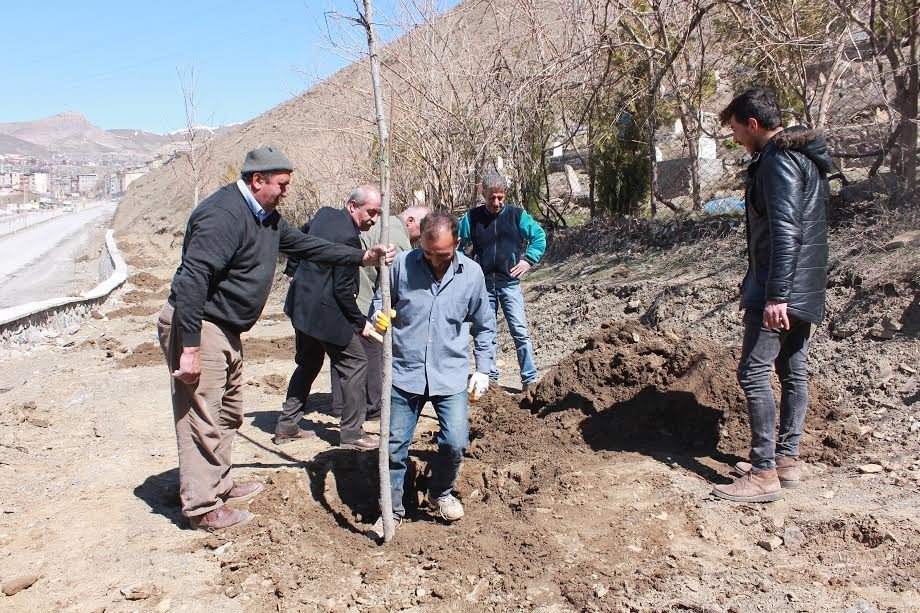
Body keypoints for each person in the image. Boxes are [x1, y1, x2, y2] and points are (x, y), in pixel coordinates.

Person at [158, 146, 394, 531]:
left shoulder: (265, 218)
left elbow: (305, 246)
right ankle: (202, 506)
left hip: (228, 327)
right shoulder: (223, 215)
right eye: (282, 184)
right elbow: (192, 279)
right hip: (201, 323)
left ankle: (220, 482)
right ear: (258, 180)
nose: (287, 191)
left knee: (228, 412)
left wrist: (362, 259)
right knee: (203, 415)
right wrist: (189, 347)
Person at [711, 88, 831, 503]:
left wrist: (776, 294)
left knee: (753, 371)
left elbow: (786, 231)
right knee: (793, 370)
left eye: (736, 129)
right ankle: (786, 459)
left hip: (779, 287)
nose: (735, 138)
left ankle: (763, 471)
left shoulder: (777, 162)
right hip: (806, 284)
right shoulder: (804, 158)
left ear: (753, 124)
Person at [370, 212, 494, 536]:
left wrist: (484, 368)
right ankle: (392, 509)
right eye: (427, 253)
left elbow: (484, 325)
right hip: (404, 371)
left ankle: (440, 493)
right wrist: (378, 316)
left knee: (454, 441)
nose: (435, 261)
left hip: (449, 374)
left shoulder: (472, 275)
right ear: (420, 243)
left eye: (442, 255)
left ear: (457, 244)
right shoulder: (401, 267)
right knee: (394, 445)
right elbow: (378, 301)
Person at [275, 185, 386, 450]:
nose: (374, 218)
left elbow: (298, 240)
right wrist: (360, 323)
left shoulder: (324, 214)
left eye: (378, 213)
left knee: (308, 363)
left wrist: (293, 271)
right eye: (370, 211)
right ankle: (352, 433)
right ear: (352, 206)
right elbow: (342, 291)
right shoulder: (349, 239)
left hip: (301, 305)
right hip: (324, 313)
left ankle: (287, 425)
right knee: (356, 363)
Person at [329, 205, 430, 421]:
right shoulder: (396, 236)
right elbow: (399, 279)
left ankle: (339, 405)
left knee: (343, 348)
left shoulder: (387, 225)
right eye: (422, 230)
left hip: (344, 290)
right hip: (360, 294)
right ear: (411, 221)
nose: (422, 237)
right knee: (372, 346)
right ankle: (374, 406)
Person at [458, 172, 545, 392]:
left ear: (505, 195)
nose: (496, 203)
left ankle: (529, 379)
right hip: (483, 285)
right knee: (486, 331)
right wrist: (464, 268)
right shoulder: (471, 218)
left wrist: (528, 260)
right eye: (491, 198)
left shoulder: (517, 216)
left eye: (500, 198)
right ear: (482, 194)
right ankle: (491, 379)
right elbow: (456, 243)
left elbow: (539, 236)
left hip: (510, 283)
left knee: (520, 331)